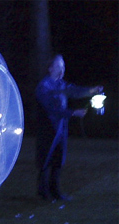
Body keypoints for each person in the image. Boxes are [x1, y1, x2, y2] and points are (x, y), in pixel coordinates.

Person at [35, 54, 103, 201]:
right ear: (50, 68)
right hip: (48, 129)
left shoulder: (62, 84)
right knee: (47, 159)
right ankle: (43, 191)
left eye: (63, 66)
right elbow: (51, 109)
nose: (62, 69)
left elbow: (74, 91)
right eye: (59, 66)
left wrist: (92, 90)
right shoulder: (43, 86)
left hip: (60, 128)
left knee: (58, 159)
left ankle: (56, 191)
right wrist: (73, 113)